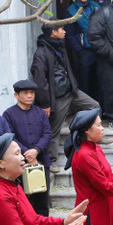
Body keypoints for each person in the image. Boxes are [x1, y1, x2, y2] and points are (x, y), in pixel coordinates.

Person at [31, 23, 100, 170]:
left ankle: (88, 139)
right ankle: (51, 161)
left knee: (93, 106)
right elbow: (40, 80)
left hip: (71, 91)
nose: (64, 31)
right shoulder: (41, 53)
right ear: (53, 32)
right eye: (61, 28)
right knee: (53, 129)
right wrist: (45, 103)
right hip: (57, 96)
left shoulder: (60, 46)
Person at [2, 80, 53, 216]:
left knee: (42, 198)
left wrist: (36, 150)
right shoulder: (8, 114)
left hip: (41, 160)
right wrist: (26, 153)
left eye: (32, 93)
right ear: (16, 95)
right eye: (25, 93)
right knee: (23, 200)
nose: (30, 96)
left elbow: (47, 133)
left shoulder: (40, 113)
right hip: (19, 162)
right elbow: (10, 136)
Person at [65, 0, 101, 101]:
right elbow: (69, 34)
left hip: (99, 50)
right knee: (84, 82)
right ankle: (86, 111)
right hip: (84, 51)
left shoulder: (95, 6)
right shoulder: (71, 11)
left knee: (100, 82)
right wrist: (79, 50)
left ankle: (101, 110)